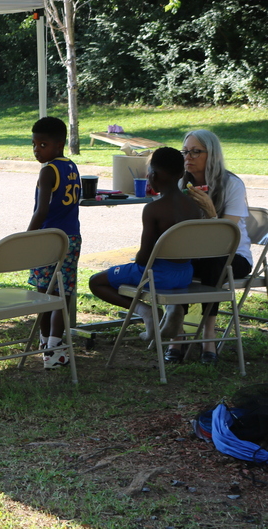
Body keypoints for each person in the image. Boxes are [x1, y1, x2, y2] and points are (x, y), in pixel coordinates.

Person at [88, 147, 203, 343]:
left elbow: (144, 258)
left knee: (96, 282)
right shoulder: (193, 206)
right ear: (182, 174)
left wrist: (135, 259)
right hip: (184, 275)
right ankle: (174, 308)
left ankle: (146, 311)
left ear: (151, 176)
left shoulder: (153, 209)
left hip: (156, 276)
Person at [164, 129, 254, 364]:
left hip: (233, 256)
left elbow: (228, 240)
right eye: (185, 151)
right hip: (193, 254)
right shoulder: (180, 183)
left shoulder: (231, 184)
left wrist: (211, 212)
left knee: (214, 260)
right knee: (178, 259)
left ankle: (208, 335)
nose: (188, 157)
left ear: (211, 155)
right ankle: (178, 332)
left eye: (196, 152)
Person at [26, 116, 81, 369]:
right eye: (34, 144)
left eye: (43, 145)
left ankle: (48, 347)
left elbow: (41, 211)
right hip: (70, 238)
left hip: (48, 239)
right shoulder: (72, 166)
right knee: (62, 294)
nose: (37, 150)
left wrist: (26, 237)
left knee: (44, 295)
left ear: (59, 145)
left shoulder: (48, 171)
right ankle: (54, 347)